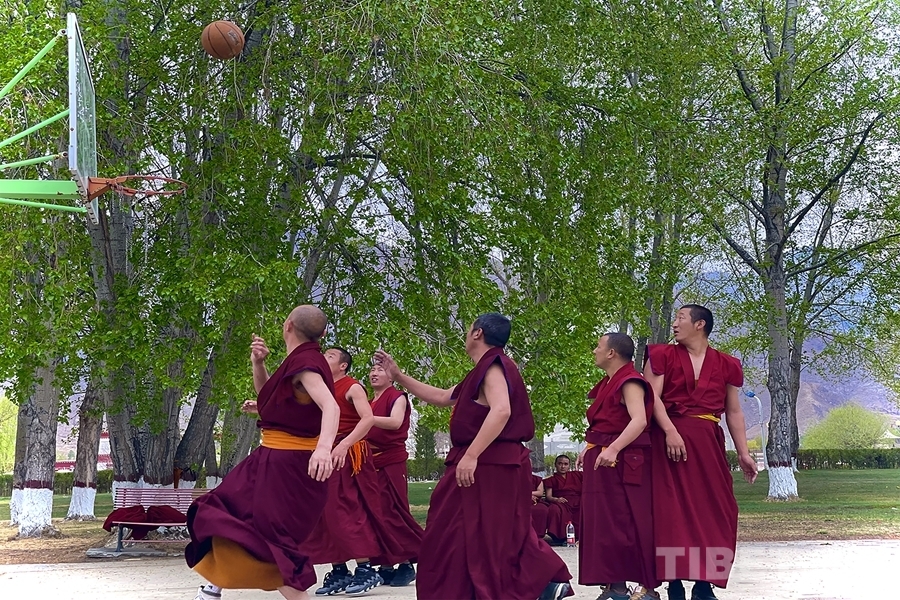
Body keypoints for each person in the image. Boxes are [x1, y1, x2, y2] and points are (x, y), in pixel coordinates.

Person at [374, 313, 573, 600]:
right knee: (481, 534)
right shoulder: (483, 369)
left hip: (489, 463)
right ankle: (541, 586)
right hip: (489, 462)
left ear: (477, 333)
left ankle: (542, 583)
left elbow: (501, 410)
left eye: (469, 329)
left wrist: (471, 454)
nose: (466, 333)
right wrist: (399, 376)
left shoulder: (494, 366)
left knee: (464, 533)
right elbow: (443, 397)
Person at [185, 305, 339, 600]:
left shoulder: (306, 364)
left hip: (287, 467)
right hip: (270, 460)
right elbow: (271, 397)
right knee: (226, 512)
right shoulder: (299, 360)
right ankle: (213, 588)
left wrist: (323, 448)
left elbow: (330, 406)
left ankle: (216, 589)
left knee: (270, 540)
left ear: (288, 325)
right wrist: (259, 364)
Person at [644, 305, 758, 600]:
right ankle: (674, 583)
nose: (674, 324)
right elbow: (651, 398)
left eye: (680, 318)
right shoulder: (661, 355)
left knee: (717, 509)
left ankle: (705, 583)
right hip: (667, 443)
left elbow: (734, 411)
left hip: (708, 443)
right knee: (671, 511)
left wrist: (743, 453)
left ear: (700, 324)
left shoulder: (726, 363)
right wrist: (670, 431)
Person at [300, 347, 391, 596]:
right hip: (323, 452)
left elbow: (368, 418)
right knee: (323, 512)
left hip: (348, 454)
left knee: (346, 509)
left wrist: (344, 445)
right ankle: (339, 570)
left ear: (343, 366)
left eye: (330, 356)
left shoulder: (352, 387)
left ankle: (365, 568)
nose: (323, 357)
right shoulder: (318, 388)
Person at [576, 333, 659, 600]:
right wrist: (589, 447)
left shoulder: (630, 381)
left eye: (598, 346)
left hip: (623, 462)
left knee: (629, 521)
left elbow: (639, 420)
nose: (594, 351)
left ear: (612, 352)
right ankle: (616, 586)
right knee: (606, 523)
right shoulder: (609, 382)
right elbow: (606, 423)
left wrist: (613, 448)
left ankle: (647, 587)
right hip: (604, 460)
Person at [365, 361, 423, 587]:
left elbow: (395, 422)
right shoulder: (368, 402)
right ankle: (386, 565)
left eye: (380, 370)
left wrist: (367, 418)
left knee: (393, 513)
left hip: (391, 461)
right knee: (375, 514)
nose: (374, 373)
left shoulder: (397, 397)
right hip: (371, 463)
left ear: (391, 377)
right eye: (372, 370)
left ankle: (408, 563)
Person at [543, 454, 583, 542]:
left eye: (565, 464)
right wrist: (556, 499)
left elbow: (590, 478)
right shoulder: (551, 480)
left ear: (569, 465)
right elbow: (549, 496)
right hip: (562, 502)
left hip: (578, 501)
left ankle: (581, 536)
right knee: (554, 509)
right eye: (560, 464)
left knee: (586, 508)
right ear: (555, 465)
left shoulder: (577, 475)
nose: (562, 466)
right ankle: (560, 537)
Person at [530, 474, 550, 539]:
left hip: (536, 501)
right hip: (520, 501)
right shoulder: (516, 478)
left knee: (542, 509)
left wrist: (529, 494)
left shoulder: (537, 479)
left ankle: (538, 535)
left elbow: (540, 492)